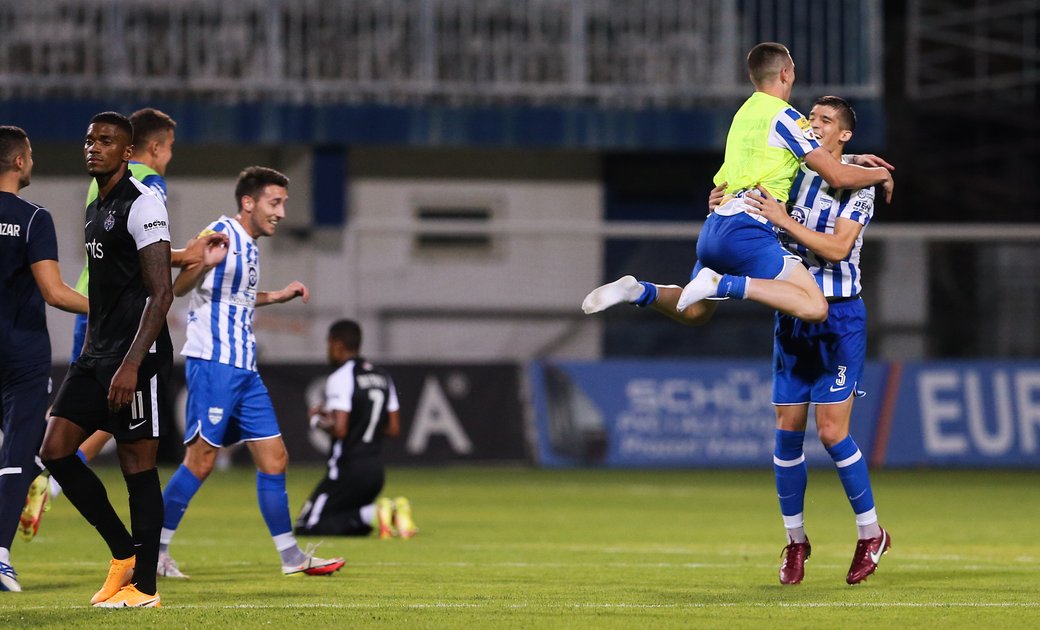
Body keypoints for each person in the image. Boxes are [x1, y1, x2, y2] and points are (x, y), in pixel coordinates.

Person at [19, 107, 228, 543]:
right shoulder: (148, 183)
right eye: (169, 148)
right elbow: (145, 253)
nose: (169, 157)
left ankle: (121, 547)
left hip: (94, 318)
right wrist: (188, 254)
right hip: (121, 326)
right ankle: (127, 547)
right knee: (132, 448)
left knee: (102, 427)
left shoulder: (99, 191)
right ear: (153, 148)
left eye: (102, 142)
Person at [582, 42, 894, 323]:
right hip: (748, 229)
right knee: (814, 307)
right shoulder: (786, 117)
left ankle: (638, 291)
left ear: (752, 78)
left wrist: (853, 158)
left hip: (715, 226)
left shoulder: (743, 114)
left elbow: (800, 159)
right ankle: (725, 284)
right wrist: (881, 173)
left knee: (694, 312)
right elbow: (835, 175)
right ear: (786, 74)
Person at [157, 166, 344, 579]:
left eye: (283, 204)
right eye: (274, 203)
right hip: (215, 365)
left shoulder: (252, 246)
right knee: (201, 461)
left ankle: (291, 558)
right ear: (248, 202)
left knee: (275, 459)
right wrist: (201, 263)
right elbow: (183, 286)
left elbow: (237, 297)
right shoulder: (219, 230)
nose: (280, 212)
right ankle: (155, 550)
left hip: (245, 369)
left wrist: (276, 296)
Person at [739, 96, 890, 586]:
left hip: (840, 318)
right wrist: (722, 195)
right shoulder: (794, 167)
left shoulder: (857, 185)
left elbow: (837, 247)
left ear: (844, 135)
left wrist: (783, 220)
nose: (814, 125)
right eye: (811, 118)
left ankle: (871, 534)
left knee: (830, 433)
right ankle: (796, 541)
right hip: (793, 311)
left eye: (826, 121)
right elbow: (745, 188)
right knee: (786, 432)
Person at [38, 111, 173, 608]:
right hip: (97, 354)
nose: (93, 147)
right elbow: (108, 291)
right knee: (54, 450)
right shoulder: (95, 205)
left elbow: (161, 295)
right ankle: (123, 553)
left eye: (106, 141)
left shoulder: (144, 204)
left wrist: (132, 363)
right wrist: (92, 353)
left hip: (138, 357)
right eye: (89, 139)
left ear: (128, 152)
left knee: (138, 465)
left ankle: (146, 588)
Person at [0, 126, 89, 593]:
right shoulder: (34, 218)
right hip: (21, 353)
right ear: (18, 162)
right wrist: (108, 307)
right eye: (30, 154)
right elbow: (54, 293)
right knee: (18, 452)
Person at [294, 320, 417, 540]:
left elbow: (340, 430)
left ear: (337, 344)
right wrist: (363, 423)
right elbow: (393, 429)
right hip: (375, 472)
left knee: (307, 526)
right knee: (348, 525)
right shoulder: (382, 376)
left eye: (329, 344)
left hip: (346, 471)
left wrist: (316, 421)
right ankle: (384, 514)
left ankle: (376, 513)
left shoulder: (341, 377)